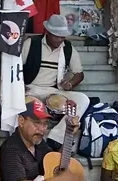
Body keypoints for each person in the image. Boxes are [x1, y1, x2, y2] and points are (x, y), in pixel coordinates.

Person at [22, 14, 89, 149]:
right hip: (31, 89)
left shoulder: (67, 48)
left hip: (54, 91)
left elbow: (79, 74)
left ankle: (56, 137)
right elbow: (16, 68)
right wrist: (20, 87)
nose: (60, 40)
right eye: (57, 36)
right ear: (48, 32)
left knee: (83, 99)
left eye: (63, 36)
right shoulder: (31, 43)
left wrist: (70, 83)